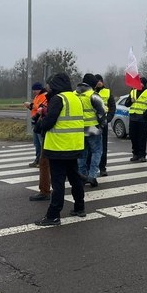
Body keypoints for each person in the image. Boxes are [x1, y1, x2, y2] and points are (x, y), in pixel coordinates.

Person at [33, 73, 85, 226]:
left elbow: (49, 122)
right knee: (74, 178)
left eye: (50, 86)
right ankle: (80, 207)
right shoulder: (75, 98)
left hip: (58, 146)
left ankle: (53, 215)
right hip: (74, 145)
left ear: (55, 86)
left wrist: (39, 125)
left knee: (58, 182)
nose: (48, 88)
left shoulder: (59, 99)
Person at [77, 74, 106, 187]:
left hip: (78, 127)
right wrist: (102, 125)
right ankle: (92, 176)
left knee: (82, 153)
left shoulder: (75, 94)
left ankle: (82, 176)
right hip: (92, 127)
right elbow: (102, 112)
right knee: (96, 151)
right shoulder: (93, 95)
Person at [125, 77, 147, 162]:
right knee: (133, 136)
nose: (139, 84)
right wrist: (130, 101)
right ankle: (135, 154)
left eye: (141, 82)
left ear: (144, 84)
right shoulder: (133, 91)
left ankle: (142, 155)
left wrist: (146, 114)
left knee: (142, 138)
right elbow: (126, 104)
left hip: (142, 119)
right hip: (133, 118)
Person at [29, 90, 51, 202]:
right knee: (69, 167)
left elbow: (49, 119)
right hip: (70, 141)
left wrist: (40, 118)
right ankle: (79, 206)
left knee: (45, 163)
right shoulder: (72, 98)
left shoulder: (53, 99)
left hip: (53, 138)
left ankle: (45, 192)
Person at [94, 74, 116, 176]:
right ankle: (91, 168)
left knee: (103, 146)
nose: (99, 82)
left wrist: (108, 119)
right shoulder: (90, 92)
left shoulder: (107, 91)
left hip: (103, 122)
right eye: (97, 80)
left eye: (100, 80)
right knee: (92, 146)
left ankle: (102, 168)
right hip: (92, 122)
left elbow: (112, 107)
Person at [24, 82, 47, 167]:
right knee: (36, 143)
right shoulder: (37, 96)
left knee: (41, 142)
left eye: (35, 90)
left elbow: (41, 108)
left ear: (39, 89)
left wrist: (31, 105)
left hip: (40, 121)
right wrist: (30, 106)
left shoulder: (44, 95)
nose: (33, 92)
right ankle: (37, 159)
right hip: (35, 121)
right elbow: (35, 109)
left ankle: (42, 161)